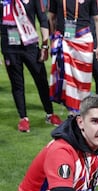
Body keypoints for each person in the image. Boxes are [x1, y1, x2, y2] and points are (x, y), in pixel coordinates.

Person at [0, 0, 62, 132]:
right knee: (17, 83)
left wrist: (45, 46)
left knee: (41, 80)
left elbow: (42, 19)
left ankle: (49, 113)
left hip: (30, 45)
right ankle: (23, 118)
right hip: (9, 46)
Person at [48, 0, 98, 114]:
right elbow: (51, 18)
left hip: (83, 40)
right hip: (64, 41)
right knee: (67, 78)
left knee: (83, 78)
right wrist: (52, 41)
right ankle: (72, 112)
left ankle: (82, 110)